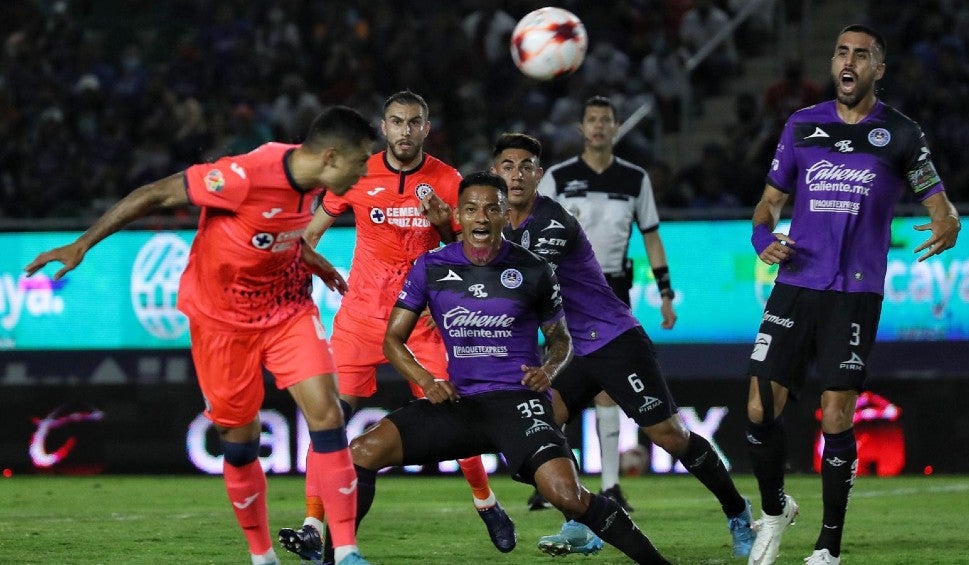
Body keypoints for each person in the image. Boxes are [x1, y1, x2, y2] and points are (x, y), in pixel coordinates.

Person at [24, 106, 378, 565]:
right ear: (331, 158)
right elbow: (154, 194)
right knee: (240, 442)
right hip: (221, 321)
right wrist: (82, 244)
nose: (365, 171)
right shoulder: (244, 176)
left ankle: (346, 552)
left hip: (286, 308)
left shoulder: (311, 179)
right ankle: (262, 555)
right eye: (361, 162)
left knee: (328, 415)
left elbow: (276, 232)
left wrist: (313, 259)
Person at [352, 171, 675, 564]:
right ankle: (340, 555)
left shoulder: (535, 269)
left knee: (569, 497)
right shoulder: (431, 267)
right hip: (461, 403)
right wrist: (425, 379)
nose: (481, 218)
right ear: (459, 215)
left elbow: (561, 339)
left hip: (519, 402)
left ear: (506, 214)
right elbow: (392, 339)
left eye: (491, 209)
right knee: (362, 451)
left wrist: (549, 371)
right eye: (471, 209)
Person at [744, 25, 962, 565]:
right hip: (795, 283)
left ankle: (828, 547)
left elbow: (941, 205)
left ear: (877, 70)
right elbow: (767, 206)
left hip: (855, 293)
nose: (849, 61)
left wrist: (948, 222)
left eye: (861, 55)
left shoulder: (902, 133)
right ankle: (775, 510)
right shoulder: (801, 125)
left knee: (837, 414)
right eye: (841, 52)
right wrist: (763, 240)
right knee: (757, 408)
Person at [493, 132, 755, 559]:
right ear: (494, 172)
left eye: (526, 166)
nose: (517, 175)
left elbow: (524, 284)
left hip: (613, 340)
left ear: (540, 176)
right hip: (572, 351)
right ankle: (581, 522)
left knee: (669, 436)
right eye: (508, 165)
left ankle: (737, 509)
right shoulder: (502, 226)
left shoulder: (553, 223)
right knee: (538, 424)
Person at [278, 90, 512, 564]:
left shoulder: (448, 181)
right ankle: (311, 526)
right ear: (383, 127)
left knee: (455, 417)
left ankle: (486, 503)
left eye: (415, 122)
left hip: (419, 323)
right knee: (329, 421)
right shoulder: (357, 173)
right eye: (397, 121)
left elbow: (478, 252)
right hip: (360, 321)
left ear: (427, 128)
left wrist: (446, 229)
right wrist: (314, 266)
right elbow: (308, 234)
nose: (405, 130)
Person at [533, 95, 677, 513]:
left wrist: (665, 292)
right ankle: (551, 479)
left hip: (612, 290)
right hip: (561, 293)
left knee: (606, 390)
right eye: (591, 119)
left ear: (615, 127)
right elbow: (530, 227)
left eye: (605, 120)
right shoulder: (558, 177)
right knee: (553, 387)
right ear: (580, 127)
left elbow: (650, 235)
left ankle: (611, 487)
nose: (598, 126)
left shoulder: (635, 179)